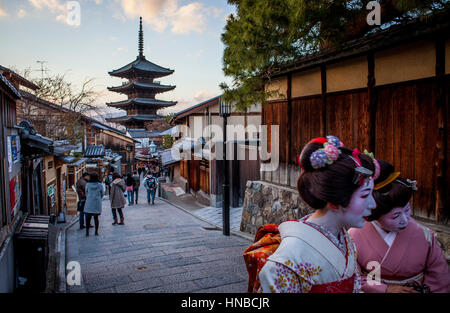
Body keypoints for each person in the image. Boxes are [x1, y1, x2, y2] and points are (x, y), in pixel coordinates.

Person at [257, 136, 377, 293]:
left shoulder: (344, 238)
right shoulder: (285, 261)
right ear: (334, 201)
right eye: (364, 195)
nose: (373, 204)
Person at [349, 159, 450, 293]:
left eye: (407, 210)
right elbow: (354, 277)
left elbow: (439, 276)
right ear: (374, 213)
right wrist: (385, 289)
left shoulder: (424, 234)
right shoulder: (354, 236)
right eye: (395, 216)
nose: (405, 220)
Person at [84, 172, 104, 236]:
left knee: (88, 218)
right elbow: (102, 194)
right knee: (96, 218)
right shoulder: (99, 185)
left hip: (89, 202)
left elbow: (86, 192)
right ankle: (96, 231)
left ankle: (87, 232)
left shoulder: (88, 184)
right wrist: (98, 198)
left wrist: (89, 198)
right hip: (96, 202)